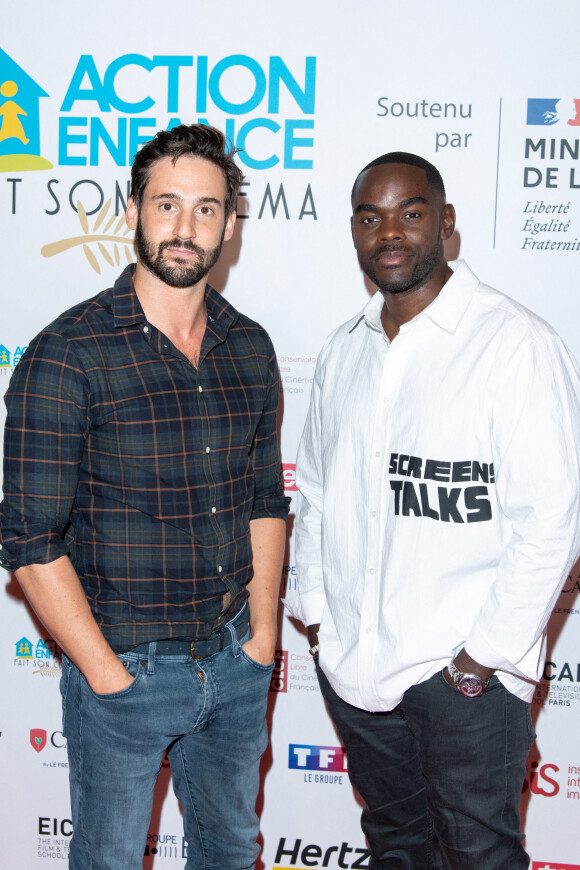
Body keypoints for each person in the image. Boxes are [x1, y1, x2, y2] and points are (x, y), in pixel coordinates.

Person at [0, 123, 289, 870]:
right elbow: (29, 540)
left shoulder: (249, 347)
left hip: (234, 663)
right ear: (133, 211)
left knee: (230, 852)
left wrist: (261, 641)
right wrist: (105, 674)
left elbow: (264, 499)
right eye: (166, 204)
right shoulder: (69, 353)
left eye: (204, 208)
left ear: (231, 223)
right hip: (124, 675)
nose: (184, 227)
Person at [286, 152, 580, 869]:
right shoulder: (343, 350)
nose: (389, 232)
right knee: (394, 846)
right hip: (358, 671)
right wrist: (320, 618)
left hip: (465, 684)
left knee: (478, 853)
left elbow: (553, 521)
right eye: (369, 216)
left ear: (445, 224)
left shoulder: (514, 345)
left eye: (410, 213)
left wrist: (480, 659)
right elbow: (317, 493)